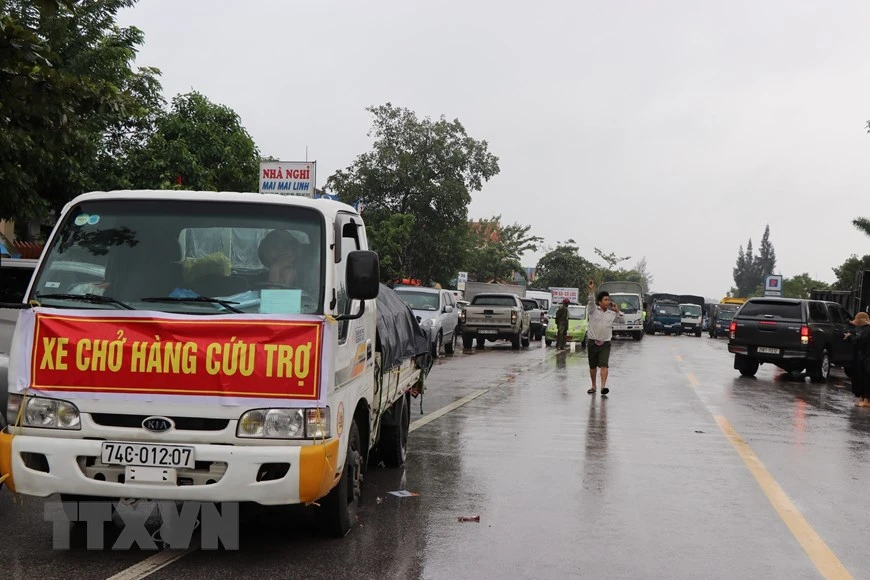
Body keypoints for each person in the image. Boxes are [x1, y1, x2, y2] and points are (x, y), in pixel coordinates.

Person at [586, 279, 624, 395]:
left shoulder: (612, 314)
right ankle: (593, 386)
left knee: (604, 364)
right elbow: (591, 301)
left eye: (608, 300)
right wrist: (592, 290)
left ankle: (603, 387)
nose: (607, 302)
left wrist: (618, 311)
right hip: (592, 342)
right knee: (593, 366)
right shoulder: (593, 310)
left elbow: (622, 320)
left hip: (605, 344)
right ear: (599, 302)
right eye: (605, 300)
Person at [844, 312, 870, 407]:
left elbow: (861, 341)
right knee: (863, 378)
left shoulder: (867, 330)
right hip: (864, 357)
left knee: (867, 378)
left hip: (867, 358)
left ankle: (867, 399)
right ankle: (864, 398)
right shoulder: (863, 329)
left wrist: (851, 337)